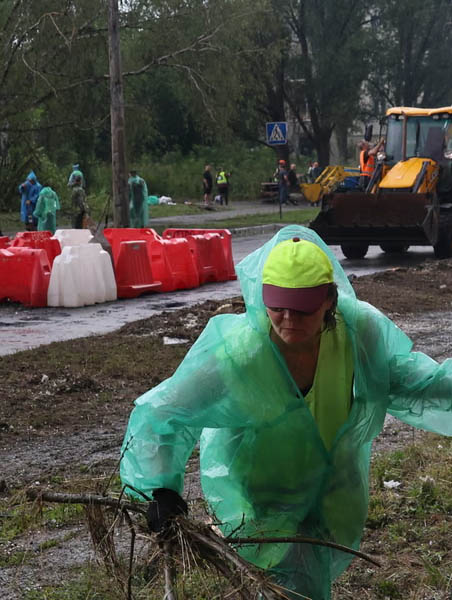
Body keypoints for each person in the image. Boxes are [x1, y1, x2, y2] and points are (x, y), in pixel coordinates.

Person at [121, 225, 452, 600]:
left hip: (328, 493)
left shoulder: (358, 332)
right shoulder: (241, 354)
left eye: (302, 308)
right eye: (277, 306)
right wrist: (159, 489)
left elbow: (417, 382)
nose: (288, 319)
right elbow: (164, 413)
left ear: (329, 299)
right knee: (293, 584)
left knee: (303, 586)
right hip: (260, 499)